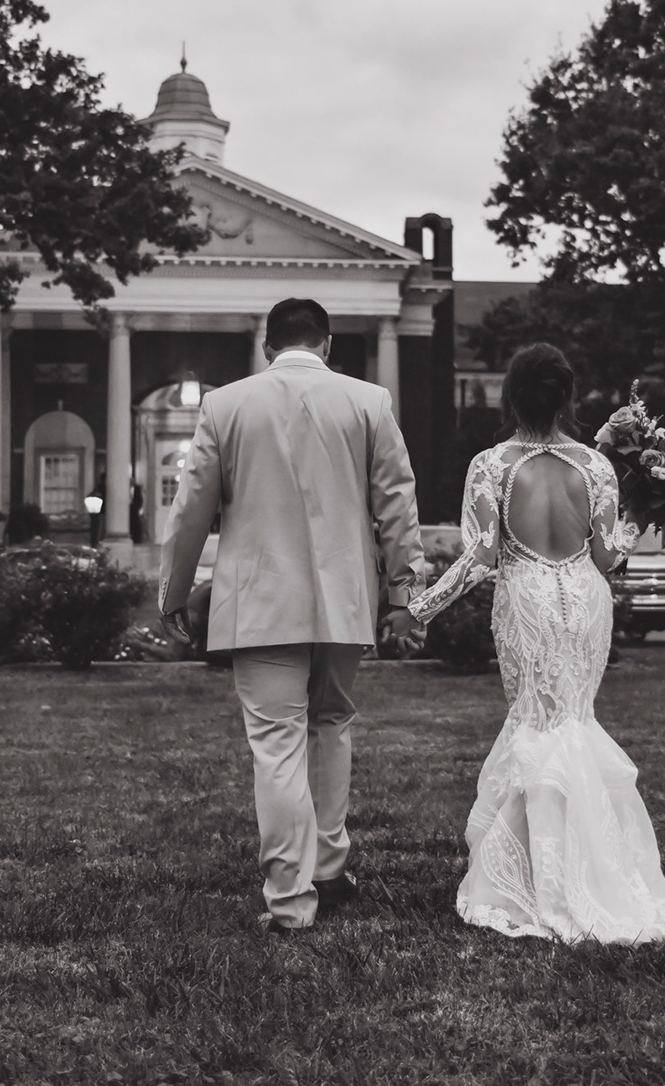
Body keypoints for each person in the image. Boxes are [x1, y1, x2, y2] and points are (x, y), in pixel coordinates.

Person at [408, 343, 665, 944]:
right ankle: (597, 867)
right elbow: (607, 556)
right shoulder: (596, 467)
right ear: (567, 399)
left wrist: (421, 606)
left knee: (537, 725)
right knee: (573, 722)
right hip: (584, 600)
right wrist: (644, 512)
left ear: (510, 396)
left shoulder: (491, 464)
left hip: (527, 599)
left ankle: (539, 878)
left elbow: (481, 556)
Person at [158, 297, 425, 933]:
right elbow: (397, 502)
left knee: (277, 746)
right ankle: (328, 870)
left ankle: (289, 901)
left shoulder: (226, 405)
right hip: (344, 600)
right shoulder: (369, 402)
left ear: (266, 346)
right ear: (327, 345)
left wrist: (174, 591)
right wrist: (403, 595)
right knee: (331, 724)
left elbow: (191, 508)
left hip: (261, 602)